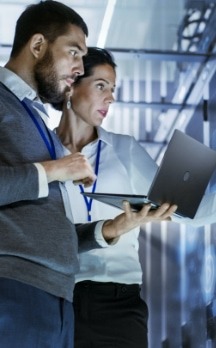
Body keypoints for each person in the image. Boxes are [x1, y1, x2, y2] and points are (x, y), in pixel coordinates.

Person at [0, 2, 177, 348]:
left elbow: (50, 228)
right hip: (18, 288)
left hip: (56, 295)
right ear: (38, 46)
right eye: (74, 52)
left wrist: (111, 229)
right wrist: (54, 169)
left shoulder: (34, 120)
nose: (77, 67)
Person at [56, 47, 216, 348]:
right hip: (58, 299)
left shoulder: (124, 149)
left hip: (120, 304)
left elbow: (189, 211)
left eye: (113, 89)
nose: (110, 98)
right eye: (101, 85)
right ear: (71, 84)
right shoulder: (43, 153)